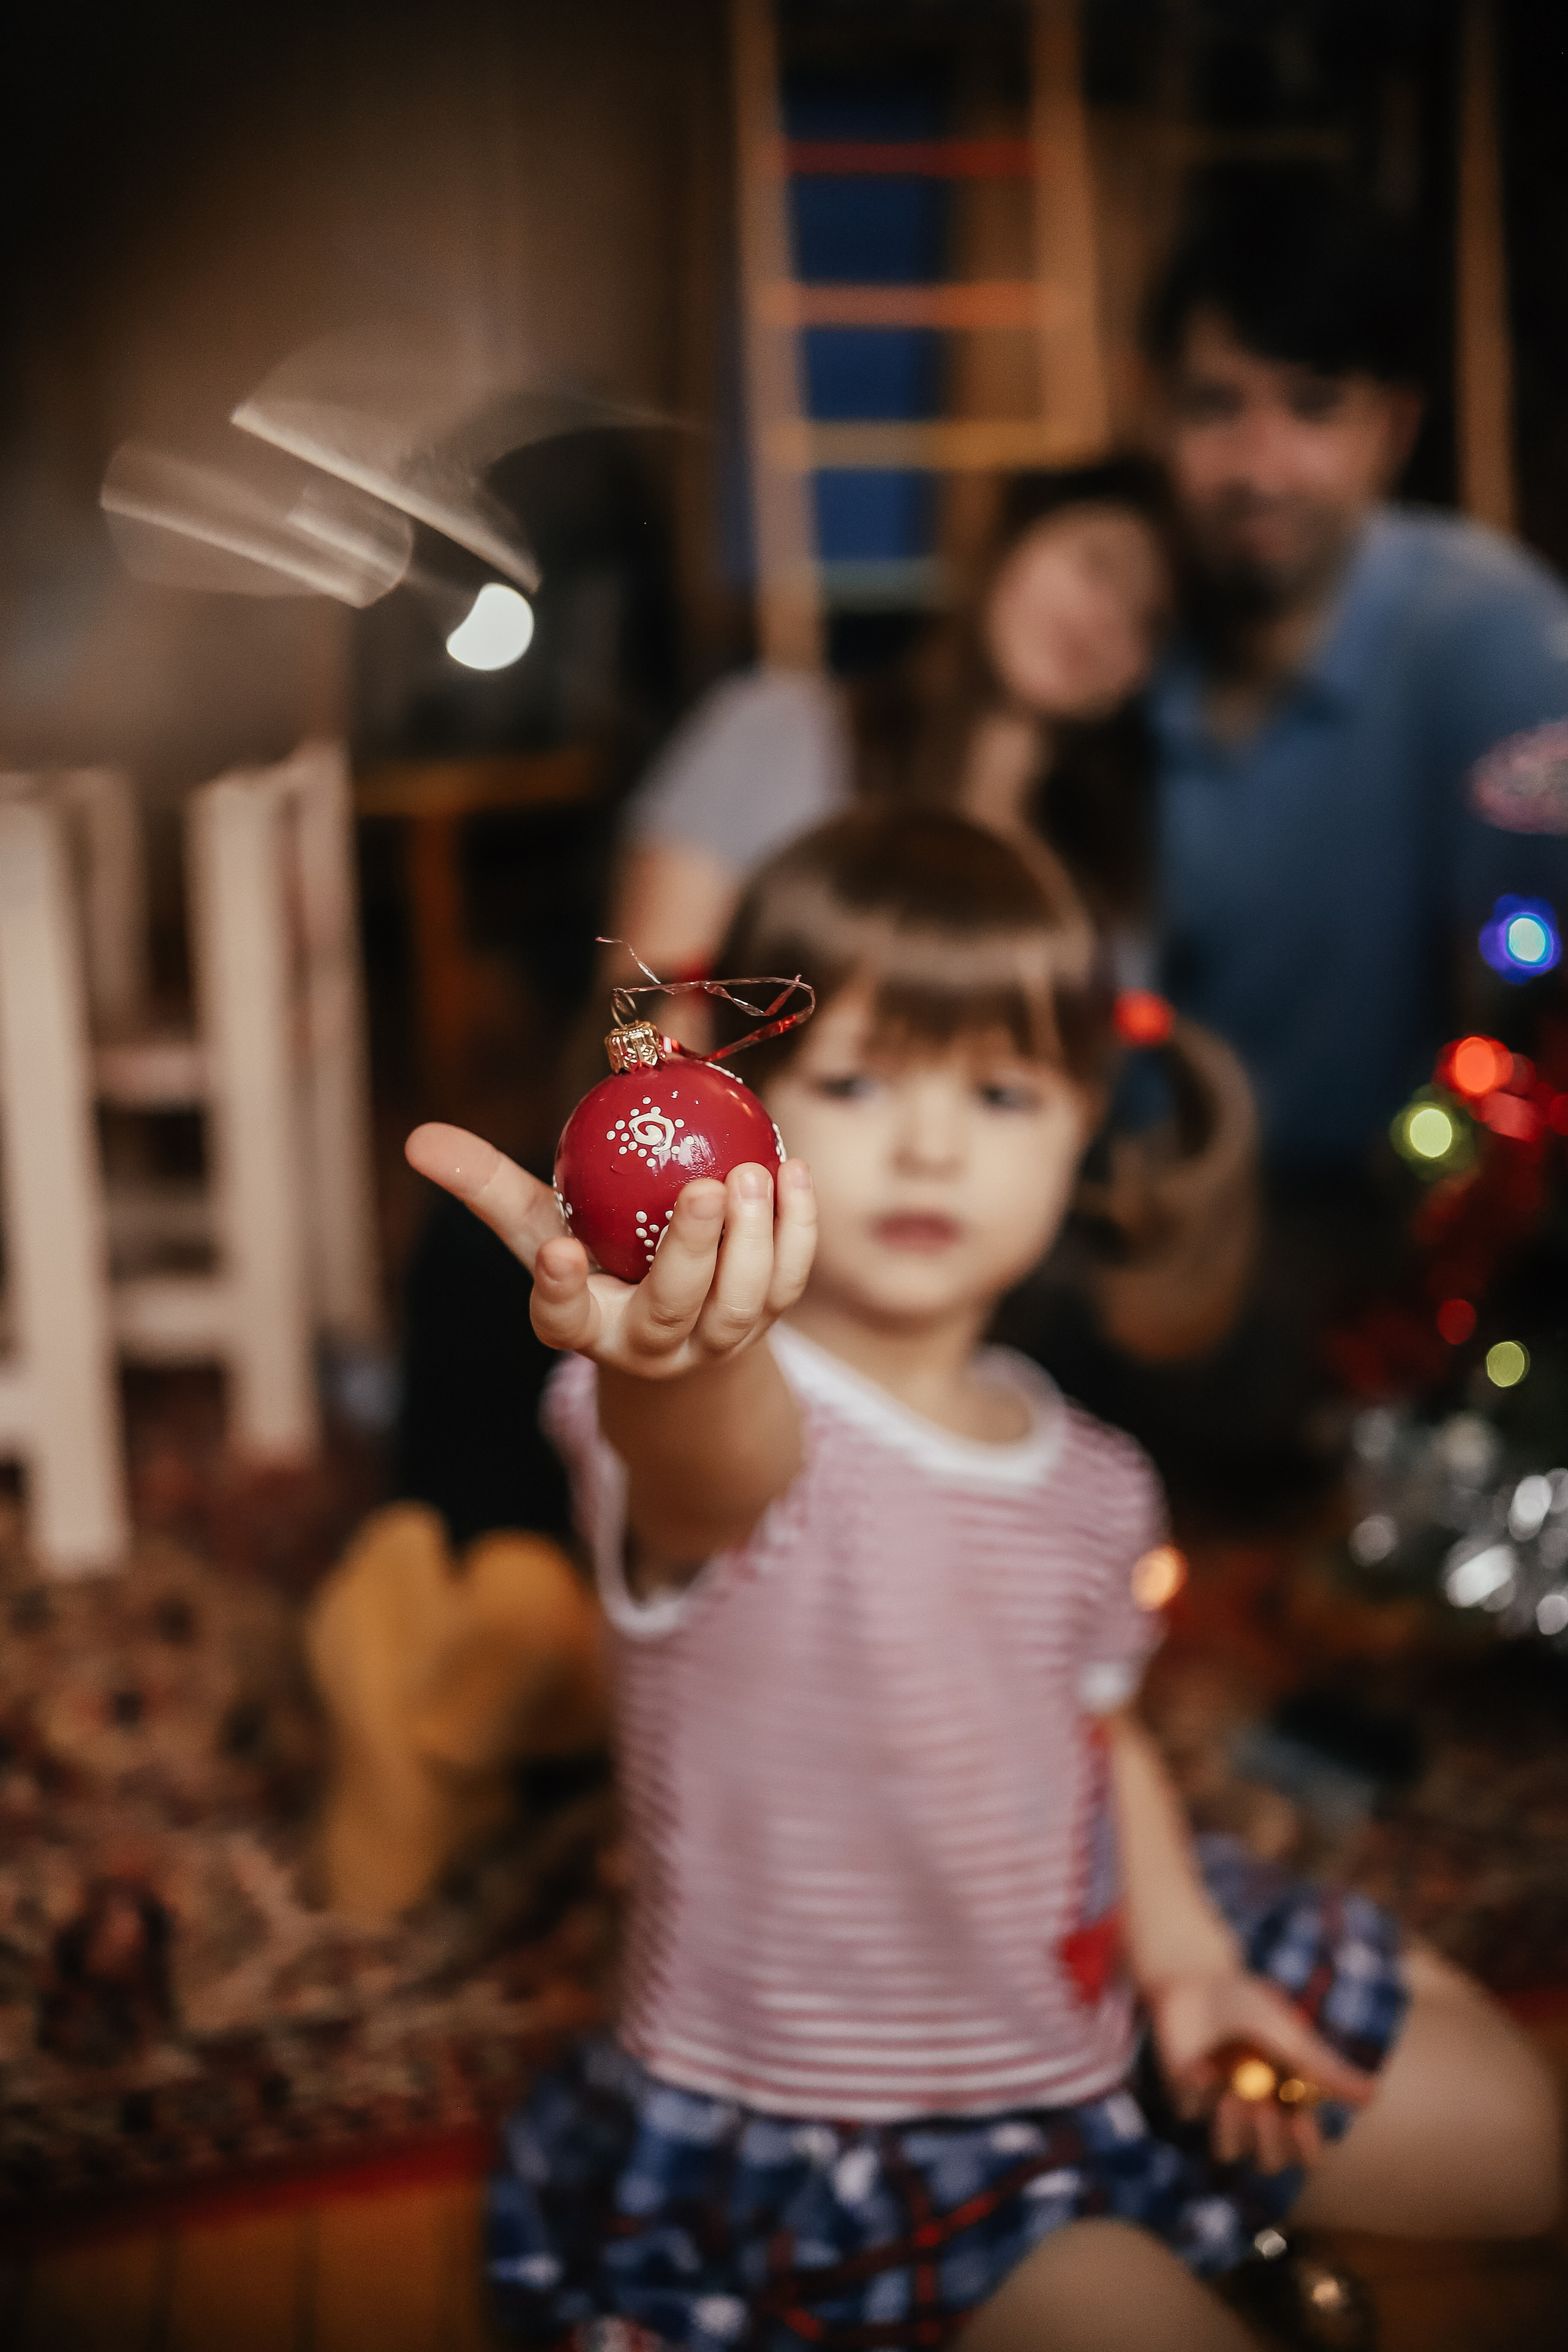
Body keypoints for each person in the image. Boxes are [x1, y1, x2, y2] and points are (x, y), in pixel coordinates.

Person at [405, 810, 1558, 2352]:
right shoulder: (731, 1405)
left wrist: (1190, 1965)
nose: (932, 1142)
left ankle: (1156, 2141)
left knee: (1510, 2148)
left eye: (1000, 1088)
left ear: (1084, 1122)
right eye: (862, 1077)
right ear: (750, 1109)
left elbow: (1094, 1734)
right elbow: (703, 1468)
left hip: (1071, 1959)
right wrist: (682, 1362)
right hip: (859, 2114)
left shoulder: (1091, 1470)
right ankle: (1153, 2225)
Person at [1143, 169, 1568, 1170]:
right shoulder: (1114, 610)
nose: (1259, 467)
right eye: (1215, 406)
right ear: (1151, 409)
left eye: (1314, 407)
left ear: (1394, 429)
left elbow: (1536, 1003)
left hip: (1391, 1236)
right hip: (1114, 1211)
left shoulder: (1493, 640)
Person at [609, 459, 1174, 984]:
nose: (1103, 620)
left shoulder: (1109, 876)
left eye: (1145, 619)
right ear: (1010, 538)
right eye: (1096, 565)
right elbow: (650, 1011)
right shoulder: (774, 729)